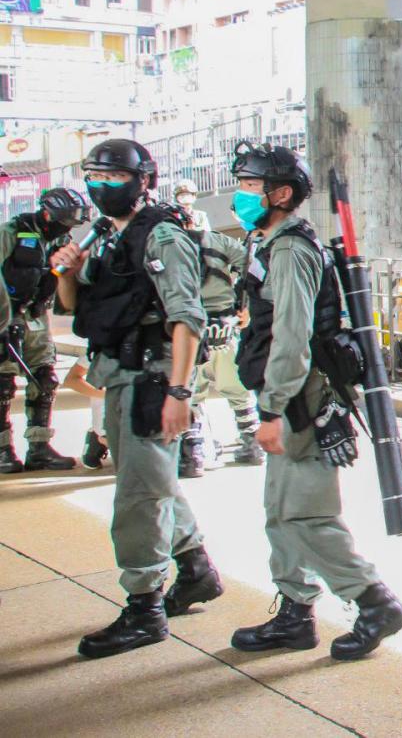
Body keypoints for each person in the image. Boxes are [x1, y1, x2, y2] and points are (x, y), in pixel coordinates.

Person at [226, 143, 402, 662]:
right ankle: (294, 612)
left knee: (306, 513)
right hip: (287, 395)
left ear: (280, 194)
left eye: (249, 185)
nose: (240, 195)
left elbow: (291, 338)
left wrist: (270, 409)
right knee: (280, 511)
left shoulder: (289, 250)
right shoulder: (268, 241)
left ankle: (374, 601)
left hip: (299, 399)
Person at [50, 139, 222, 658]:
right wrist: (66, 270)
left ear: (142, 179)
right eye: (93, 177)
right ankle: (194, 569)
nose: (102, 186)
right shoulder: (102, 236)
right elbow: (71, 306)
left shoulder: (162, 236)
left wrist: (179, 392)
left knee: (137, 498)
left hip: (152, 379)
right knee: (150, 482)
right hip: (118, 374)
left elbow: (187, 319)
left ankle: (144, 607)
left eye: (113, 177)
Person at [0, 187, 88, 472]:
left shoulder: (61, 241)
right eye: (64, 222)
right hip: (6, 316)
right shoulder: (12, 231)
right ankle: (2, 450)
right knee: (2, 383)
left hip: (36, 317)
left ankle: (39, 447)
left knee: (45, 379)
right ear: (48, 213)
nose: (67, 228)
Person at [177, 201, 261, 473]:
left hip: (190, 331)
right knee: (238, 389)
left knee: (192, 393)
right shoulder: (219, 241)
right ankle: (252, 443)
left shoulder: (168, 249)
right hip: (226, 326)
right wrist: (243, 306)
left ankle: (194, 453)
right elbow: (251, 267)